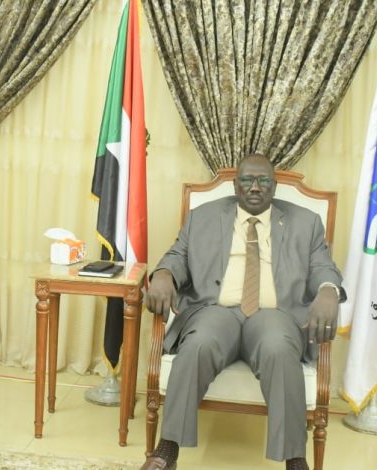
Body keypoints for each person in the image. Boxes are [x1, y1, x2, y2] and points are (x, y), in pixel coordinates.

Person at [141, 153, 345, 470]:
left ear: (274, 186)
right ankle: (167, 449)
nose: (255, 187)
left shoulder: (306, 223)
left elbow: (323, 267)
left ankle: (295, 459)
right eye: (248, 180)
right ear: (236, 185)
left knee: (279, 349)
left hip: (273, 315)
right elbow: (177, 255)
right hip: (216, 311)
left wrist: (329, 290)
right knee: (198, 344)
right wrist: (164, 274)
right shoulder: (203, 216)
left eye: (263, 181)